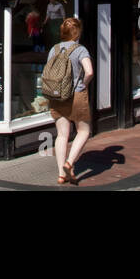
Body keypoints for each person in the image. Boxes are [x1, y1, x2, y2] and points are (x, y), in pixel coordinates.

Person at [47, 17, 93, 186]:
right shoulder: (80, 49)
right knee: (83, 131)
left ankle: (61, 174)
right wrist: (82, 85)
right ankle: (69, 162)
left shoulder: (54, 49)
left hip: (57, 95)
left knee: (62, 135)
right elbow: (89, 71)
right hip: (75, 95)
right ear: (77, 32)